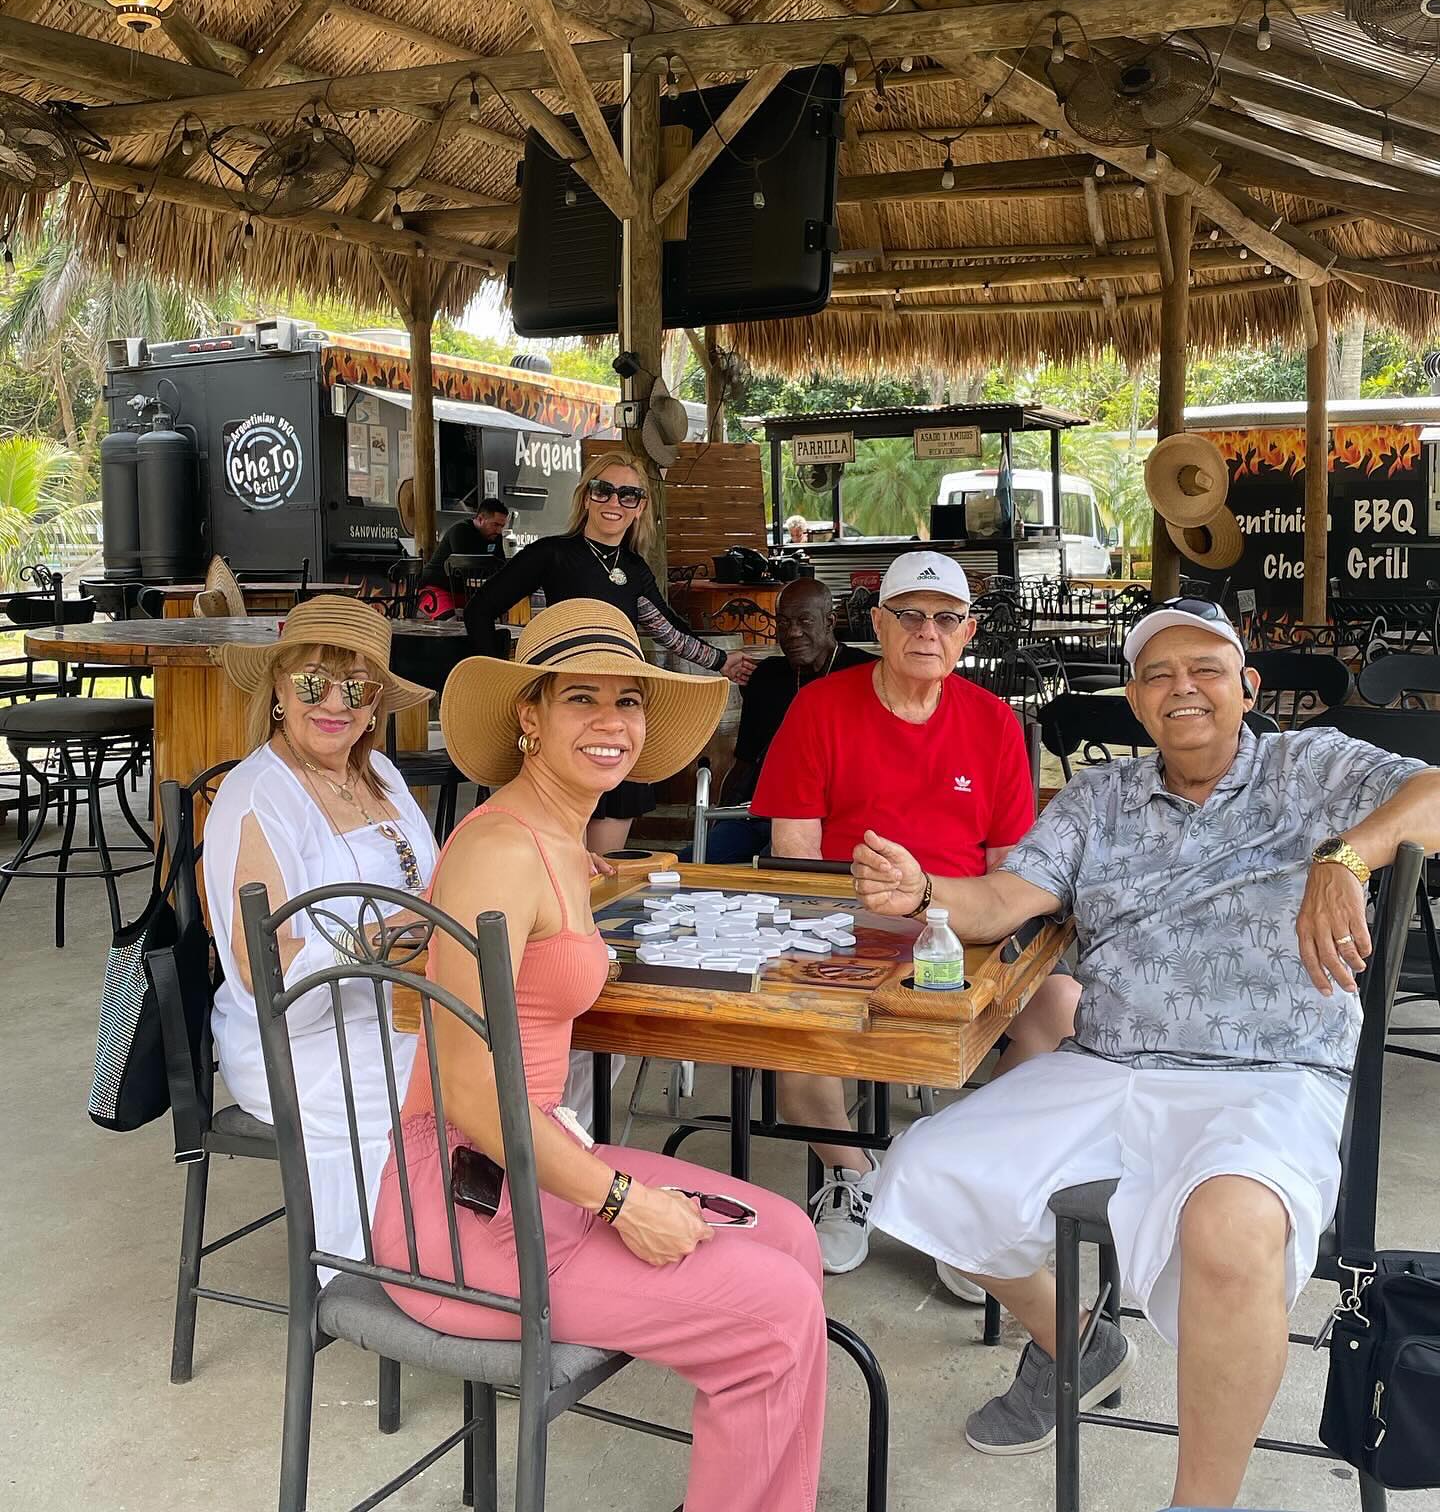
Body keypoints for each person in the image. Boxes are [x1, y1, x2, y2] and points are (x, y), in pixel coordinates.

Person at [865, 598, 1440, 1507]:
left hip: (1273, 1071)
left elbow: (1439, 791)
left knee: (1232, 1227)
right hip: (1113, 1062)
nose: (1184, 689)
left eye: (1206, 669)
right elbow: (1005, 899)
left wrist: (1345, 856)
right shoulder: (1100, 796)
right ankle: (1079, 1339)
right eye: (1158, 676)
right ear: (1134, 701)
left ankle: (1198, 1502)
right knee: (925, 1168)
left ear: (1248, 687)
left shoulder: (1313, 765)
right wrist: (926, 888)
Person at [373, 600, 828, 1512]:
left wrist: (614, 880)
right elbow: (466, 1089)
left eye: (629, 701)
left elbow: (563, 910)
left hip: (534, 1163)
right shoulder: (501, 849)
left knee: (792, 1236)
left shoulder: (558, 838)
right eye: (582, 698)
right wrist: (624, 1203)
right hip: (463, 1202)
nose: (613, 723)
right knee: (772, 1314)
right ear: (528, 717)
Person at [750, 551, 1081, 1276]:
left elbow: (1008, 870)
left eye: (945, 618)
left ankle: (959, 1176)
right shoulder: (818, 709)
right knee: (793, 1023)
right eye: (908, 615)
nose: (926, 631)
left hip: (962, 926)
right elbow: (798, 861)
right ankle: (854, 1177)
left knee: (1060, 1003)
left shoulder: (995, 724)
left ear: (966, 634)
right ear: (877, 623)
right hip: (845, 921)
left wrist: (956, 919)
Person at [206, 597, 439, 1267]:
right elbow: (264, 968)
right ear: (279, 688)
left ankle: (487, 1250)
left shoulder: (379, 774)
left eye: (358, 687)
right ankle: (380, 1273)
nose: (335, 702)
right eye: (314, 682)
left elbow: (430, 883)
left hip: (395, 1006)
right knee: (460, 1086)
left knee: (533, 1052)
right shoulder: (259, 795)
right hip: (297, 1037)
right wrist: (385, 935)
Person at [463, 451, 755, 853]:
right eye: (604, 491)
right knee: (555, 858)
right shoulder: (552, 553)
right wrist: (506, 676)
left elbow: (667, 629)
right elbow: (480, 610)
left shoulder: (634, 568)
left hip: (614, 713)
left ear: (640, 508)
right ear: (586, 497)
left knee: (605, 869)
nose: (615, 502)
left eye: (628, 495)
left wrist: (721, 661)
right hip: (564, 711)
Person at [706, 578, 868, 864]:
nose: (792, 632)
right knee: (691, 865)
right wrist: (720, 815)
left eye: (805, 620)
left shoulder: (864, 673)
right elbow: (744, 759)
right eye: (782, 622)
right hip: (758, 813)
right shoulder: (767, 676)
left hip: (829, 818)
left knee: (775, 871)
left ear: (829, 621)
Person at [417, 495, 509, 619]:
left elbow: (500, 565)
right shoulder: (460, 531)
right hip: (438, 588)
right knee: (450, 620)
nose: (499, 531)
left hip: (465, 592)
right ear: (480, 519)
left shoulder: (495, 536)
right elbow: (464, 566)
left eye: (501, 526)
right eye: (495, 525)